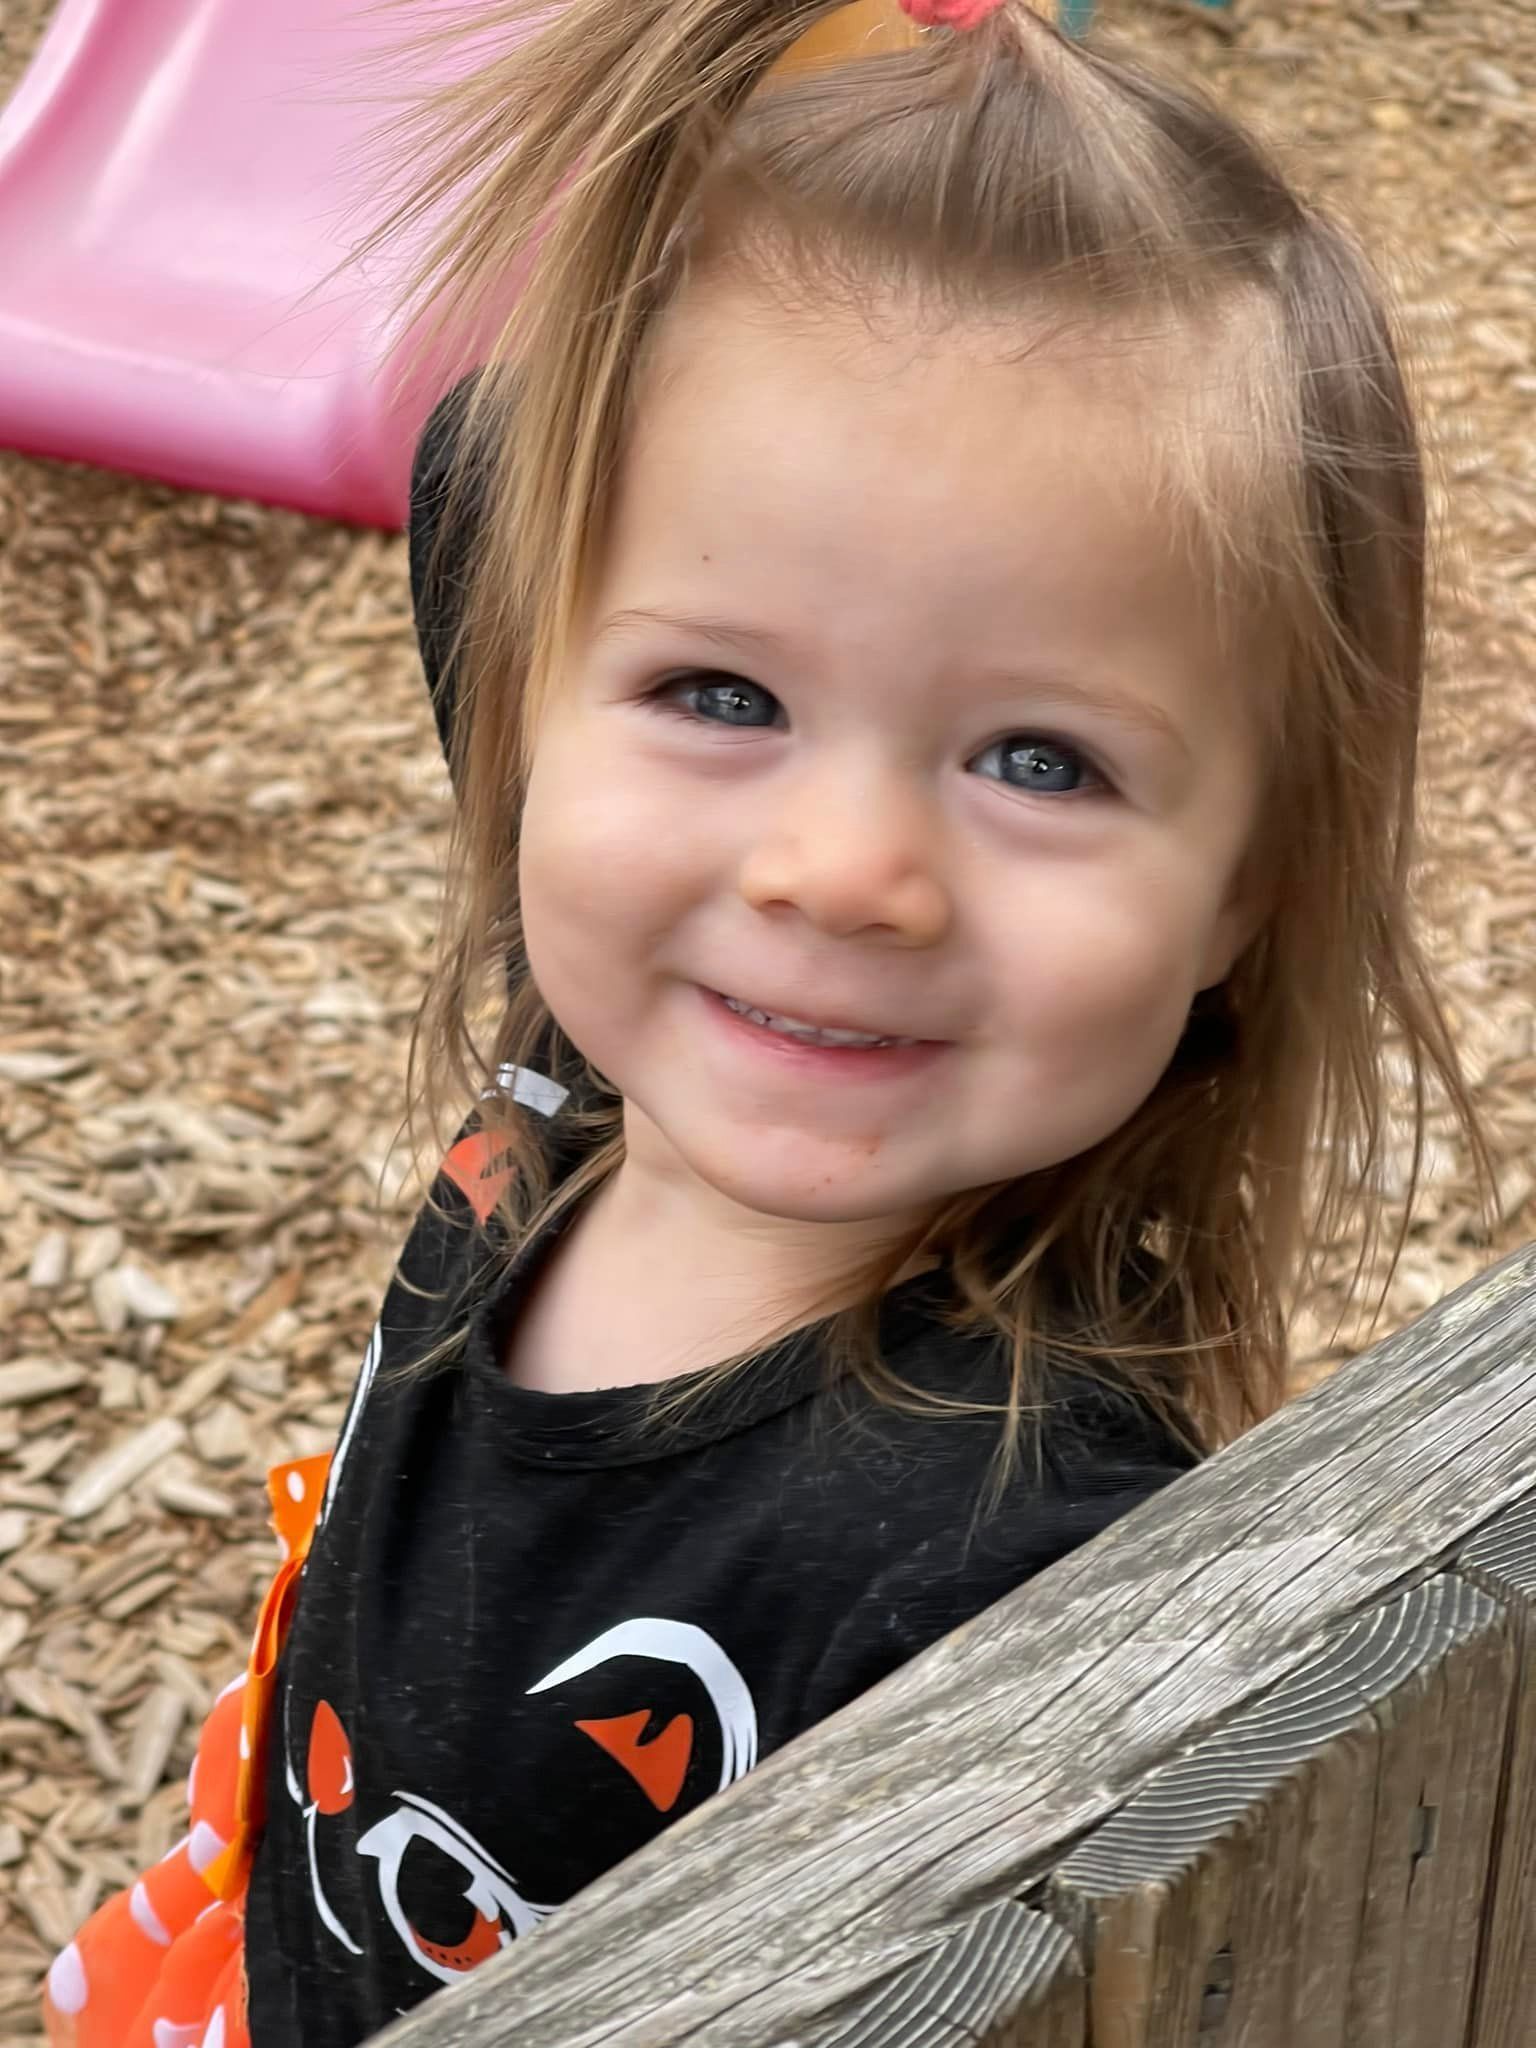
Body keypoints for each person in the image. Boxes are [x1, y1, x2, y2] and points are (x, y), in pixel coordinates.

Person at [44, 0, 1486, 2041]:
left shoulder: (1009, 1584)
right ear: (532, 694)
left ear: (1252, 885)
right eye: (721, 693)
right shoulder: (582, 1050)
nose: (839, 871)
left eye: (1042, 759)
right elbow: (481, 475)